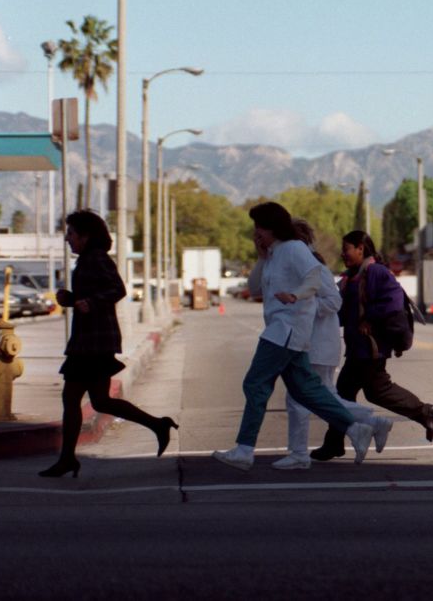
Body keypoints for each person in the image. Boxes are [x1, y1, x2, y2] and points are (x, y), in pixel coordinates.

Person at [212, 202, 383, 471]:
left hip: (286, 329)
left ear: (271, 228)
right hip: (287, 332)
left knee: (255, 384)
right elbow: (255, 287)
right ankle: (355, 428)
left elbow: (315, 274)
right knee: (307, 391)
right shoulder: (275, 254)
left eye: (259, 228)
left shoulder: (293, 248)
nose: (256, 234)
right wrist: (261, 255)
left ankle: (245, 449)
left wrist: (297, 296)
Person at [39, 210, 178, 478]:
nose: (68, 239)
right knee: (98, 401)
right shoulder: (87, 260)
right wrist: (72, 298)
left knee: (74, 399)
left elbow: (118, 289)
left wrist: (89, 302)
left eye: (71, 234)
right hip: (88, 340)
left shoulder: (97, 258)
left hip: (94, 342)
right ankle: (157, 425)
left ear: (85, 236)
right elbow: (92, 293)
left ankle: (68, 458)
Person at [271, 220, 394, 470]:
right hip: (312, 344)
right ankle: (373, 422)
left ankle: (298, 454)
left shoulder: (312, 266)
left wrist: (300, 304)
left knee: (300, 398)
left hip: (316, 345)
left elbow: (333, 301)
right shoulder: (299, 264)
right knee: (325, 397)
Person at [310, 230, 433, 462]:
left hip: (371, 347)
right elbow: (343, 311)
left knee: (357, 391)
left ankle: (334, 444)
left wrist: (370, 317)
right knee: (362, 392)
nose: (343, 254)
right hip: (358, 347)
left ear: (361, 248)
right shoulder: (352, 276)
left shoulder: (376, 272)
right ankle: (334, 444)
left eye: (347, 248)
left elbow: (394, 301)